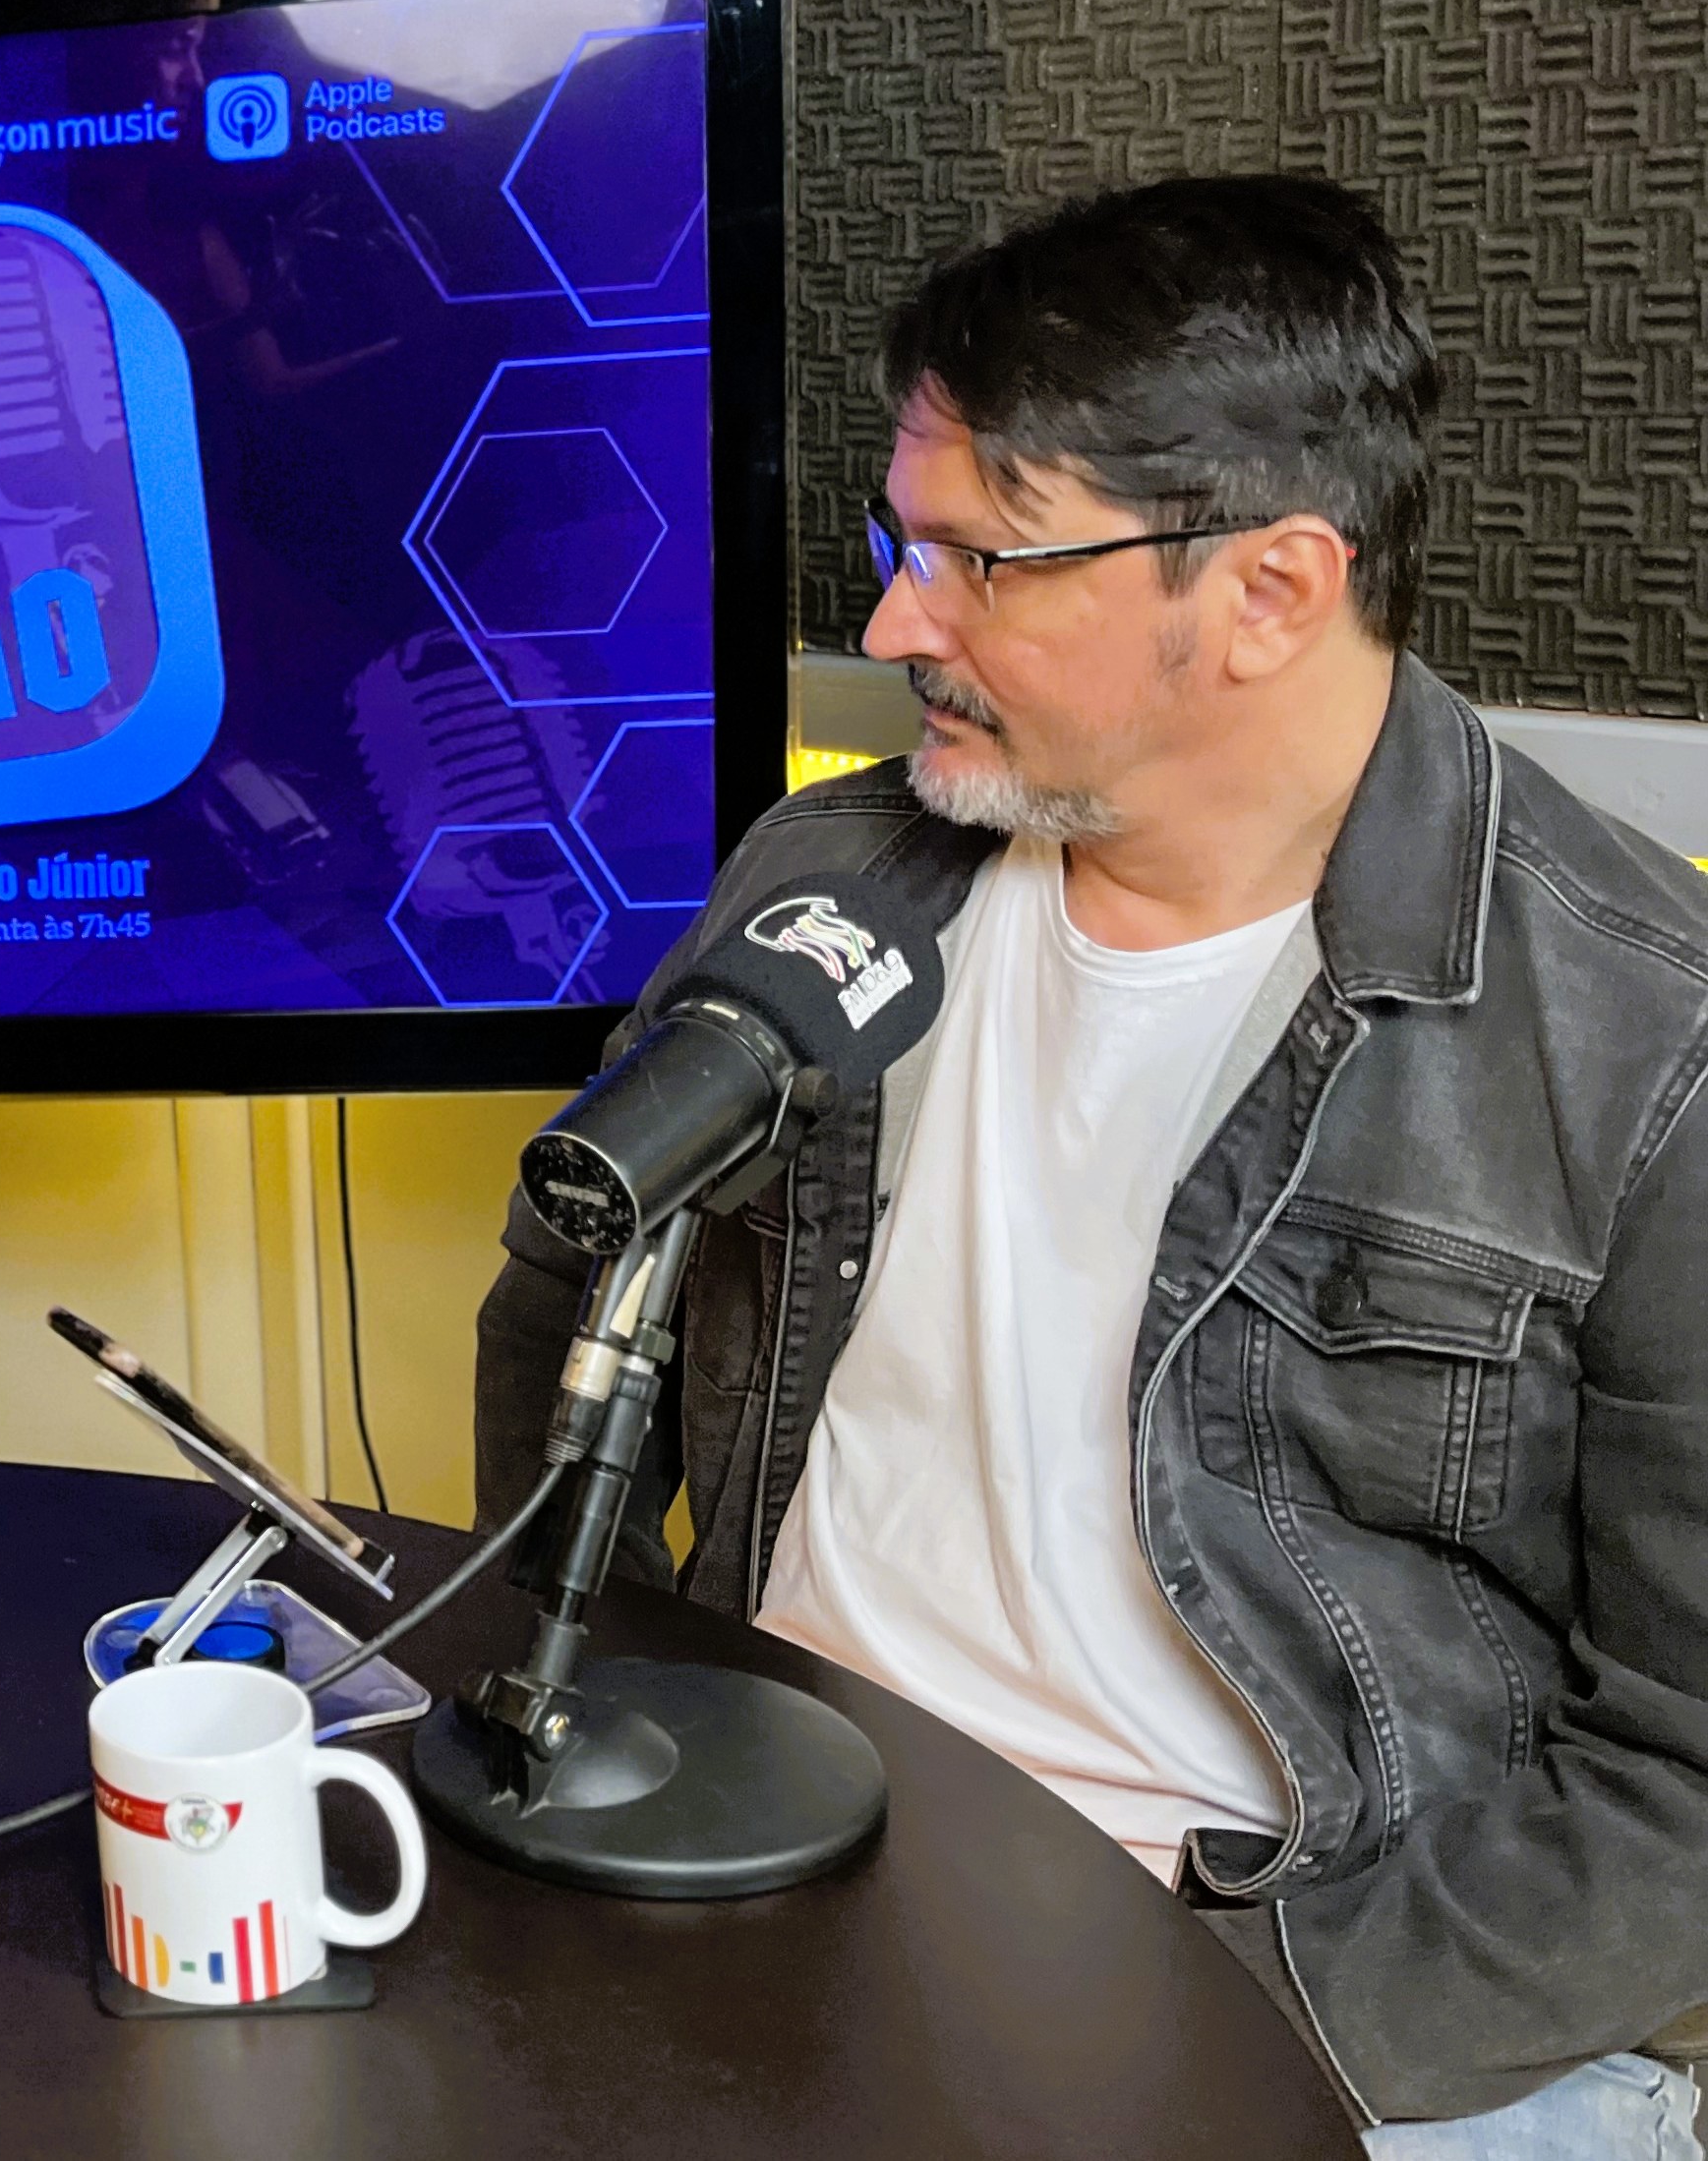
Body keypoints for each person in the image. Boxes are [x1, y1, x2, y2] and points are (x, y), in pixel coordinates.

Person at [476, 177, 1708, 2154]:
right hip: (773, 1865)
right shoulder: (828, 870)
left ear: (1271, 593)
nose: (894, 625)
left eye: (983, 562)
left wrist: (1209, 2038)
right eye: (901, 545)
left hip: (1306, 1982)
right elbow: (566, 1305)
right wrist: (589, 1744)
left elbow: (1685, 1784)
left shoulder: (1646, 1044)